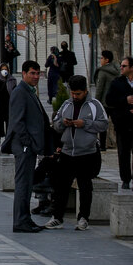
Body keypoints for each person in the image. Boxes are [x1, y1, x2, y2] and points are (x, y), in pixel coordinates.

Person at [44, 75, 107, 231]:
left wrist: (85, 124)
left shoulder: (95, 105)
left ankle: (84, 217)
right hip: (67, 152)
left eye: (78, 94)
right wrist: (63, 123)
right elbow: (56, 124)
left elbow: (103, 124)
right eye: (73, 93)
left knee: (85, 186)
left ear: (85, 91)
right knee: (61, 186)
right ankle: (57, 217)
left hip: (87, 152)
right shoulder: (66, 104)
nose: (75, 96)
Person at [8, 60, 50, 232]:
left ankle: (26, 218)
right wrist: (28, 143)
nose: (36, 76)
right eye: (32, 73)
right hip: (24, 147)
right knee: (23, 184)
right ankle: (20, 221)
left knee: (27, 184)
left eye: (38, 73)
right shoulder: (20, 92)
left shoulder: (30, 91)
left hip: (30, 146)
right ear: (23, 74)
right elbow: (17, 122)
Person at [105, 56, 133, 189]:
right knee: (123, 152)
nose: (121, 68)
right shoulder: (117, 82)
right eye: (121, 66)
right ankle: (126, 179)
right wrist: (125, 100)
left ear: (131, 68)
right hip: (123, 124)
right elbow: (110, 100)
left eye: (124, 66)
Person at [94, 50, 120, 152]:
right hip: (117, 102)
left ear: (106, 60)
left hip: (105, 102)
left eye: (102, 58)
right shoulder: (117, 70)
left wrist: (96, 102)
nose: (100, 60)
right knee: (117, 124)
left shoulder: (103, 72)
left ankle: (103, 145)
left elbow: (99, 88)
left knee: (103, 124)